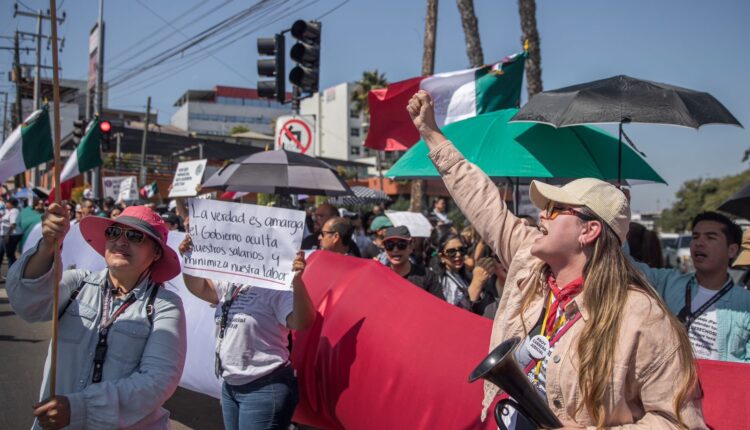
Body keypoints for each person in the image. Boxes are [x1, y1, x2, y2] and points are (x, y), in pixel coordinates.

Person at [408, 90, 705, 428]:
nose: (541, 216)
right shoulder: (530, 264)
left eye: (553, 209)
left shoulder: (642, 316)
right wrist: (432, 135)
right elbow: (484, 202)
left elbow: (680, 423)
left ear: (589, 230)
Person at [6, 204, 187, 429]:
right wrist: (47, 247)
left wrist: (79, 408)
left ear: (156, 252)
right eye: (113, 232)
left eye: (135, 236)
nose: (121, 241)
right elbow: (27, 304)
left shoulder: (165, 305)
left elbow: (158, 381)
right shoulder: (77, 283)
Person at [179, 233, 315, 430]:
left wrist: (297, 281)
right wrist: (189, 259)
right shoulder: (232, 284)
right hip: (230, 386)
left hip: (264, 387)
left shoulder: (277, 288)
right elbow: (199, 288)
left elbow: (303, 322)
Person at [631, 211, 750, 362]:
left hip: (718, 385)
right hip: (671, 384)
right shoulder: (668, 282)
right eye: (695, 237)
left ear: (732, 250)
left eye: (710, 237)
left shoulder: (745, 304)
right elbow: (627, 265)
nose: (699, 243)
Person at [430, 233, 496, 316]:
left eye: (461, 250)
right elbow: (453, 314)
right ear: (441, 257)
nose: (458, 254)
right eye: (451, 252)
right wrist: (477, 283)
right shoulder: (440, 282)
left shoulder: (464, 274)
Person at [382, 226, 439, 291]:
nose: (395, 250)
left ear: (411, 246)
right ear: (384, 248)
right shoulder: (378, 276)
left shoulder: (427, 276)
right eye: (390, 245)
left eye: (401, 244)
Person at [0, 197, 22, 272]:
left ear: (11, 204)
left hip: (12, 235)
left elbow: (13, 224)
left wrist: (7, 235)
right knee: (4, 253)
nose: (6, 203)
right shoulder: (8, 211)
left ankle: (14, 272)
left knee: (10, 255)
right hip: (5, 234)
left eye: (7, 202)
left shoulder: (14, 211)